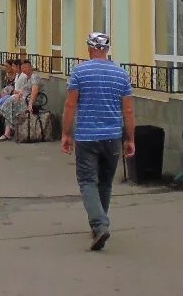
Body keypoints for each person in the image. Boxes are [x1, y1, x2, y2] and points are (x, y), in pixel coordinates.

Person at [61, 32, 135, 252]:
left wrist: (66, 134)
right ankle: (99, 224)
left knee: (87, 181)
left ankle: (100, 224)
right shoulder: (122, 74)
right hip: (112, 137)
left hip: (86, 136)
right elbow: (128, 110)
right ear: (107, 49)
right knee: (105, 182)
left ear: (90, 48)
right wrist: (130, 138)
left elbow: (70, 105)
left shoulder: (80, 72)